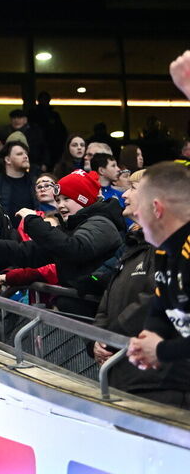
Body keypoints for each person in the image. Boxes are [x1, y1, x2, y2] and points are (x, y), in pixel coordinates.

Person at [92, 169, 190, 406]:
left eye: (134, 189)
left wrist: (117, 338)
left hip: (165, 380)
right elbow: (154, 302)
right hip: (130, 371)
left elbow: (151, 303)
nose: (125, 195)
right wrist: (101, 337)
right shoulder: (149, 247)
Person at [0, 169, 125, 316]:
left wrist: (33, 221)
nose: (60, 205)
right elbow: (30, 252)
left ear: (83, 199)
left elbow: (73, 249)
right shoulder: (74, 227)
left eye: (67, 198)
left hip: (98, 312)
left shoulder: (102, 223)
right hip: (83, 309)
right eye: (58, 200)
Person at [125, 160, 190, 372]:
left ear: (156, 209)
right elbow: (160, 307)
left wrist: (161, 351)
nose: (137, 216)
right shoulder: (165, 250)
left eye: (139, 207)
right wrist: (146, 341)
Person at [0, 140, 36, 213]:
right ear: (8, 160)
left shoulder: (34, 182)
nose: (26, 156)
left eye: (26, 154)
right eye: (19, 154)